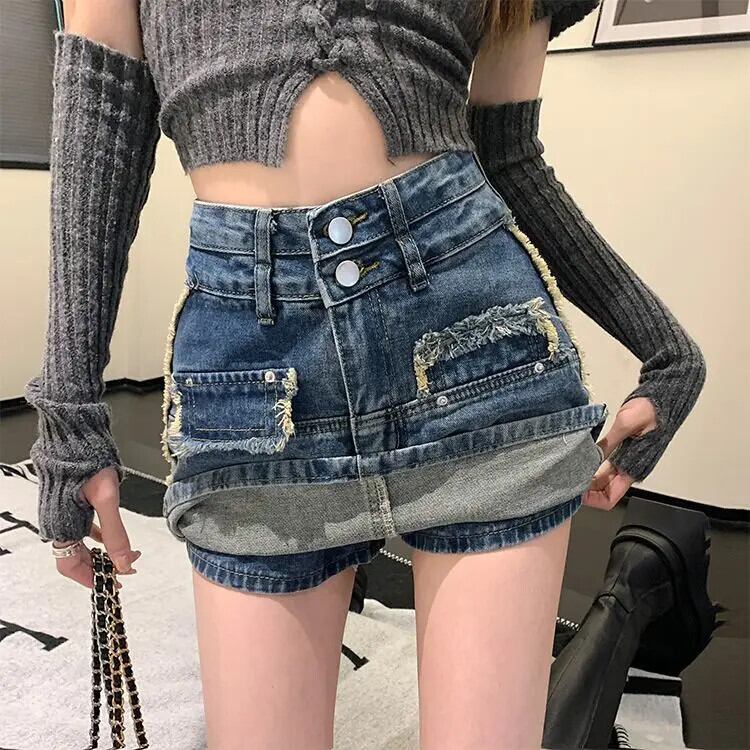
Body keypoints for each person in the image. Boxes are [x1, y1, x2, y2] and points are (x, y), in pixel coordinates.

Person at [24, 1, 706, 747]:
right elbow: (102, 126)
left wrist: (664, 348)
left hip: (477, 342)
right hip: (253, 374)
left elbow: (508, 156)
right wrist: (69, 414)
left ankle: (632, 597)